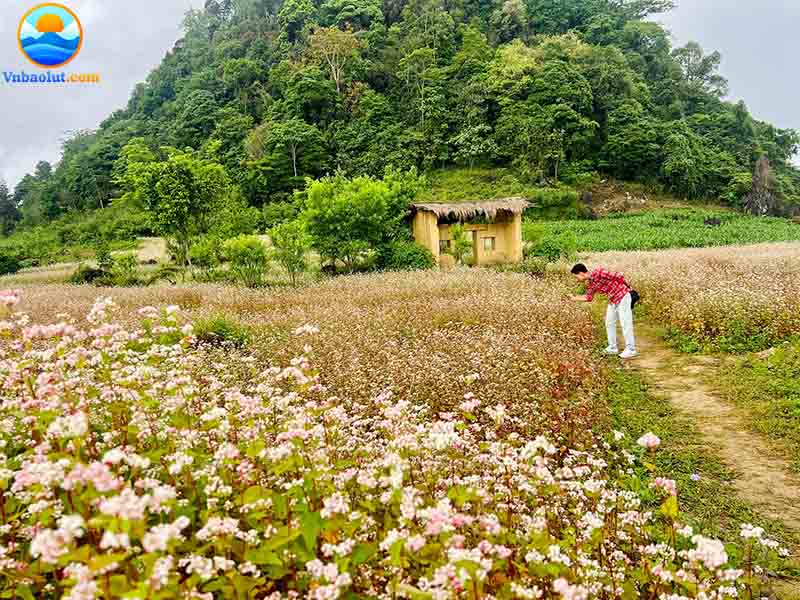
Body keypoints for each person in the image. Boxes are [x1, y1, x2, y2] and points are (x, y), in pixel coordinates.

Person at [570, 263, 638, 359]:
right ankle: (612, 347)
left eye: (576, 276)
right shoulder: (591, 283)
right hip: (613, 299)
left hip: (622, 296)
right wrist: (573, 298)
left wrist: (628, 289)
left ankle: (631, 349)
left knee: (625, 323)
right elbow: (589, 298)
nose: (576, 279)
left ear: (581, 273)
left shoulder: (598, 272)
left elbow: (618, 276)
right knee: (609, 323)